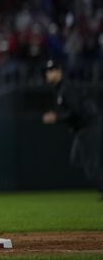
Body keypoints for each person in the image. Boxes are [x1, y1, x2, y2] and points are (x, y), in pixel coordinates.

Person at [42, 59, 103, 194]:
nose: (48, 74)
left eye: (51, 71)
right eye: (47, 71)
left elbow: (75, 112)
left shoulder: (66, 88)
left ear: (59, 72)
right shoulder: (61, 89)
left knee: (91, 170)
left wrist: (56, 118)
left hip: (89, 126)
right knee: (76, 159)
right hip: (83, 128)